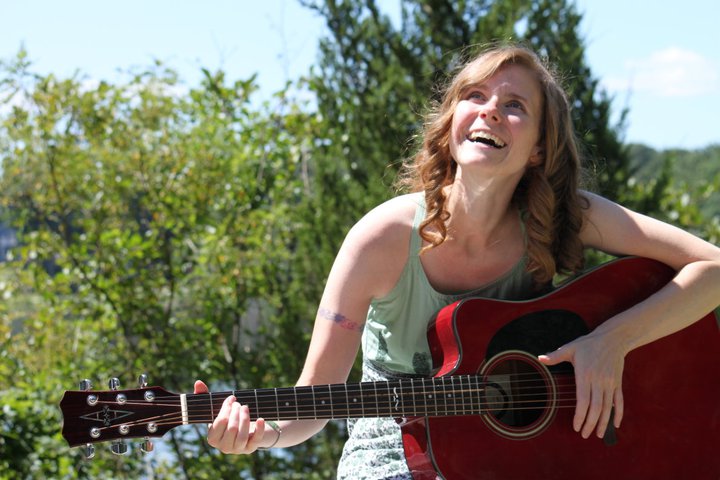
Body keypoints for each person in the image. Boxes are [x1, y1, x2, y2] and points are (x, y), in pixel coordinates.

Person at [193, 44, 720, 479]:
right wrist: (262, 435)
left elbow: (712, 268)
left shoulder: (564, 217)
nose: (490, 110)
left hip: (523, 454)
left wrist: (610, 343)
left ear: (539, 148)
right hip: (394, 449)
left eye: (514, 105)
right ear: (451, 124)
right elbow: (314, 400)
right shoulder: (381, 239)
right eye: (474, 96)